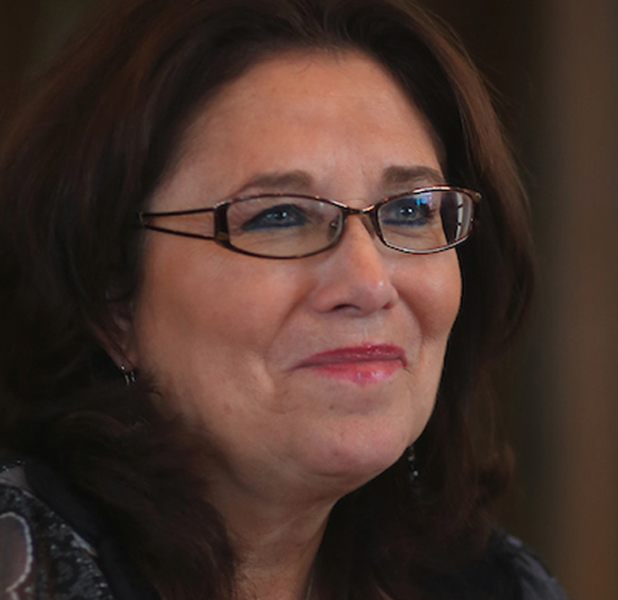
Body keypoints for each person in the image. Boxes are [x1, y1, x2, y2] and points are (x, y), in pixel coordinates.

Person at [0, 1, 561, 599]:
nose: (370, 285)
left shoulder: (492, 585)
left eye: (410, 210)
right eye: (279, 216)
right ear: (111, 300)